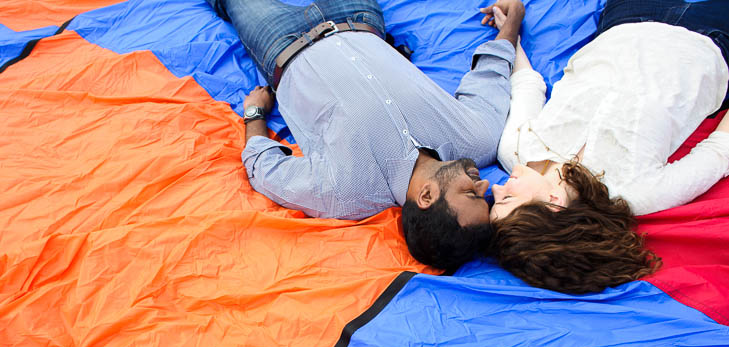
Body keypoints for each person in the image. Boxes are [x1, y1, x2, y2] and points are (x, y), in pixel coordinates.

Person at [205, 0, 526, 271]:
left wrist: (255, 114)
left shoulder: (344, 193)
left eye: (471, 193)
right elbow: (490, 74)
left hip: (280, 42)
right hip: (359, 20)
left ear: (426, 197)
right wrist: (513, 22)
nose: (485, 183)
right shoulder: (477, 138)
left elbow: (266, 170)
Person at [479, 0, 729, 293]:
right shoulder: (637, 192)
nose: (496, 189)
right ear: (552, 205)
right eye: (506, 200)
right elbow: (719, 151)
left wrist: (510, 29)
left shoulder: (515, 149)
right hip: (708, 37)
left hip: (626, 19)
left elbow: (526, 84)